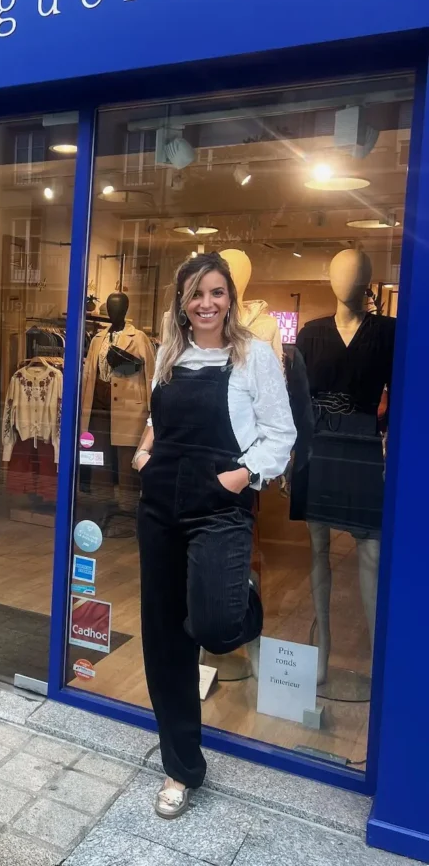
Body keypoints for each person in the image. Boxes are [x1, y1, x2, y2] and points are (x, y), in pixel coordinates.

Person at [132, 252, 295, 819]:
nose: (207, 304)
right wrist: (144, 452)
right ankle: (180, 768)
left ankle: (235, 594)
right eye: (196, 294)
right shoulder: (169, 353)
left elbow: (281, 434)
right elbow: (157, 416)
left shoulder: (253, 357)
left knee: (215, 625)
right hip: (160, 506)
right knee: (164, 641)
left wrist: (240, 476)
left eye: (217, 293)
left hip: (219, 506)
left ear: (230, 299)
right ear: (182, 301)